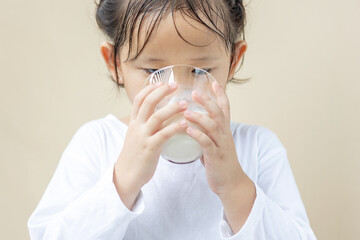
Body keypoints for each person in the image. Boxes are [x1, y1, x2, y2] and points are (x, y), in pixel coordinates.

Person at [27, 0, 317, 239]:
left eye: (199, 70)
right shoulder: (97, 143)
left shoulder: (258, 148)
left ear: (232, 61)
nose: (179, 95)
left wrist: (234, 185)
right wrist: (123, 181)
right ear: (115, 64)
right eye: (154, 71)